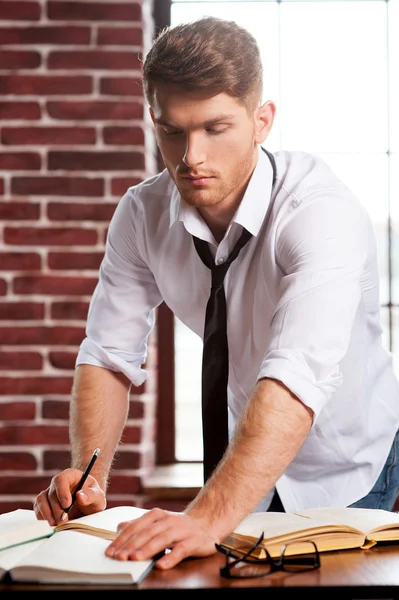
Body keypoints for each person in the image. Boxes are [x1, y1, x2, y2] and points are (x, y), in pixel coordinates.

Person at [34, 16, 399, 570]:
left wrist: (206, 517)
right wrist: (90, 477)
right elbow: (108, 357)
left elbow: (297, 374)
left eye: (214, 128)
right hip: (247, 450)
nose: (190, 157)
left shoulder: (320, 211)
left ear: (262, 121)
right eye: (172, 131)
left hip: (346, 458)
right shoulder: (142, 213)